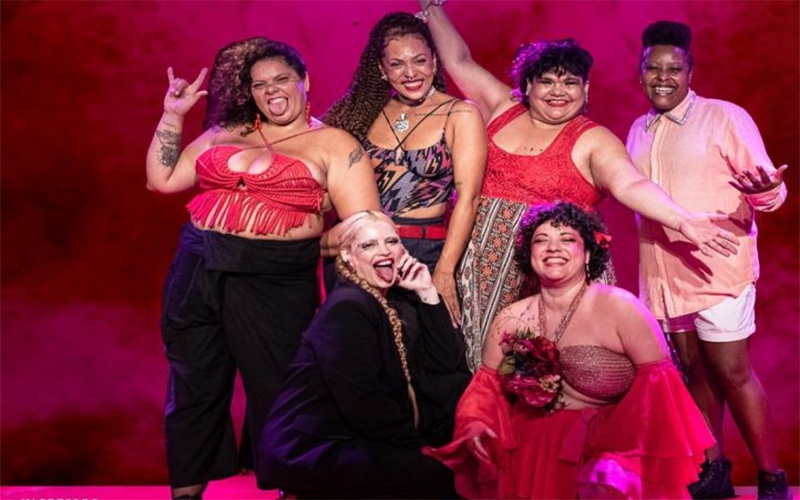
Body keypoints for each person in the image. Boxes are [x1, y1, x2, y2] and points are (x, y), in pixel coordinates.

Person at [415, 0, 740, 372]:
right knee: (479, 367)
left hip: (554, 275)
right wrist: (431, 6)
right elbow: (459, 61)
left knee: (549, 376)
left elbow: (630, 183)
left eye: (570, 82)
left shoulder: (593, 139)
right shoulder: (503, 108)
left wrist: (681, 220)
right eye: (547, 81)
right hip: (480, 272)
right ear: (527, 86)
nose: (559, 91)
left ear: (586, 88)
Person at [145, 37, 381, 498]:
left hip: (274, 277)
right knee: (194, 382)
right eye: (259, 85)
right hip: (198, 266)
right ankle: (186, 493)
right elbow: (162, 180)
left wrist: (304, 245)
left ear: (304, 81)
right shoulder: (226, 130)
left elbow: (363, 225)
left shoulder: (334, 144)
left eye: (281, 80)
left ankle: (292, 487)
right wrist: (172, 116)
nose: (271, 91)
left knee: (280, 385)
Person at [424, 202, 714, 499]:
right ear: (529, 254)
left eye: (567, 239)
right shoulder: (510, 318)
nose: (553, 248)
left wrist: (619, 462)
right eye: (541, 240)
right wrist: (475, 423)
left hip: (605, 458)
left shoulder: (620, 308)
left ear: (587, 254)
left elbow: (659, 396)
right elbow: (486, 390)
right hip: (530, 457)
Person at [627, 21, 790, 500]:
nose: (663, 77)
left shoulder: (724, 118)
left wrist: (767, 192)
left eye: (673, 69)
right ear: (640, 72)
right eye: (653, 68)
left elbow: (769, 191)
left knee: (731, 373)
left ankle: (771, 476)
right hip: (665, 275)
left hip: (719, 273)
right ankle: (715, 469)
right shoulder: (638, 129)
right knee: (693, 375)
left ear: (690, 72)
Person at [258, 210, 469, 499]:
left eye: (391, 241)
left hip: (354, 433)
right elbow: (363, 400)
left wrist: (426, 291)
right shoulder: (348, 307)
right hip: (312, 444)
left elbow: (447, 363)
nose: (384, 251)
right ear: (347, 256)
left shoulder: (396, 301)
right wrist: (417, 447)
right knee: (434, 478)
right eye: (369, 245)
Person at [322, 12, 487, 327]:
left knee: (428, 349)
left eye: (419, 61)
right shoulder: (362, 113)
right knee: (359, 349)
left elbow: (470, 198)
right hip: (360, 250)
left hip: (422, 252)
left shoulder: (459, 114)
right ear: (381, 69)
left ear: (434, 62)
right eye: (397, 64)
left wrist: (445, 270)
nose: (411, 73)